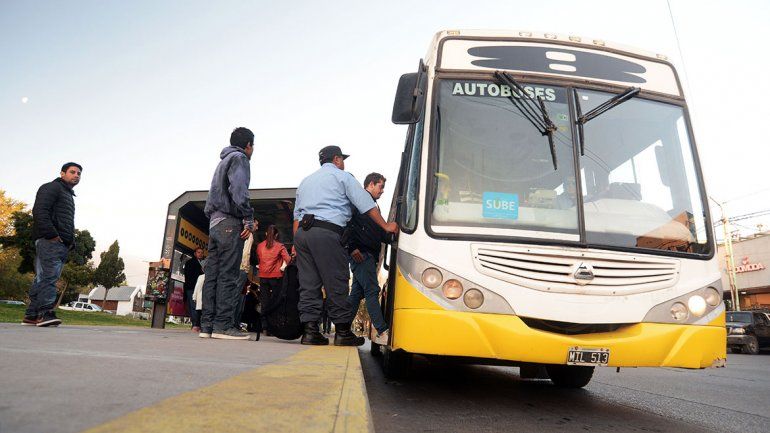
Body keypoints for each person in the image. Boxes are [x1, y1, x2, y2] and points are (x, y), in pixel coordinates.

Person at [293, 145, 398, 346]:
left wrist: (296, 244)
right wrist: (386, 225)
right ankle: (342, 332)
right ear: (337, 159)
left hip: (303, 235)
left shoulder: (306, 181)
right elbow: (365, 204)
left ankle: (310, 332)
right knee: (337, 282)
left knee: (309, 284)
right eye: (342, 159)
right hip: (328, 233)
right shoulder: (343, 177)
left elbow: (296, 217)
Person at [200, 127, 258, 340]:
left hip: (214, 223)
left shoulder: (222, 161)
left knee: (212, 276)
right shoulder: (240, 158)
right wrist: (248, 218)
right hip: (229, 222)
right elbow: (239, 191)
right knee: (228, 275)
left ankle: (207, 325)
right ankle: (223, 325)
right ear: (248, 145)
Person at [23, 162, 82, 327]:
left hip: (59, 242)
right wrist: (52, 235)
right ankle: (45, 313)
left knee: (42, 277)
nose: (76, 175)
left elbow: (65, 221)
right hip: (50, 240)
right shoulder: (52, 188)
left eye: (79, 173)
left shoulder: (67, 194)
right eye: (72, 172)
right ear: (62, 173)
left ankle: (32, 315)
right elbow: (40, 211)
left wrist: (70, 241)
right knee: (49, 276)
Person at [345, 173, 390, 341]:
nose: (383, 191)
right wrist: (352, 247)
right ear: (371, 184)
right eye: (381, 186)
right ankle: (382, 331)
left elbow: (378, 233)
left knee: (357, 293)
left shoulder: (373, 206)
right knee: (372, 291)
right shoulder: (360, 201)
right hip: (361, 254)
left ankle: (343, 327)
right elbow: (347, 222)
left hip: (367, 254)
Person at [256, 225, 291, 332]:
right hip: (276, 277)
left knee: (264, 301)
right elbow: (288, 260)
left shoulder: (260, 246)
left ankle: (264, 326)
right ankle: (274, 325)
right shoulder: (280, 246)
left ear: (266, 234)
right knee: (276, 301)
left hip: (263, 277)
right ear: (276, 235)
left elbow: (259, 259)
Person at [183, 247, 205, 333]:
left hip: (200, 289)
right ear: (195, 253)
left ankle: (198, 325)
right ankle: (195, 325)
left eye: (202, 252)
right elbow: (188, 276)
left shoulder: (203, 263)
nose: (200, 254)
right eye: (198, 252)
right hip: (192, 288)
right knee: (193, 307)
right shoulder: (190, 262)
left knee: (199, 307)